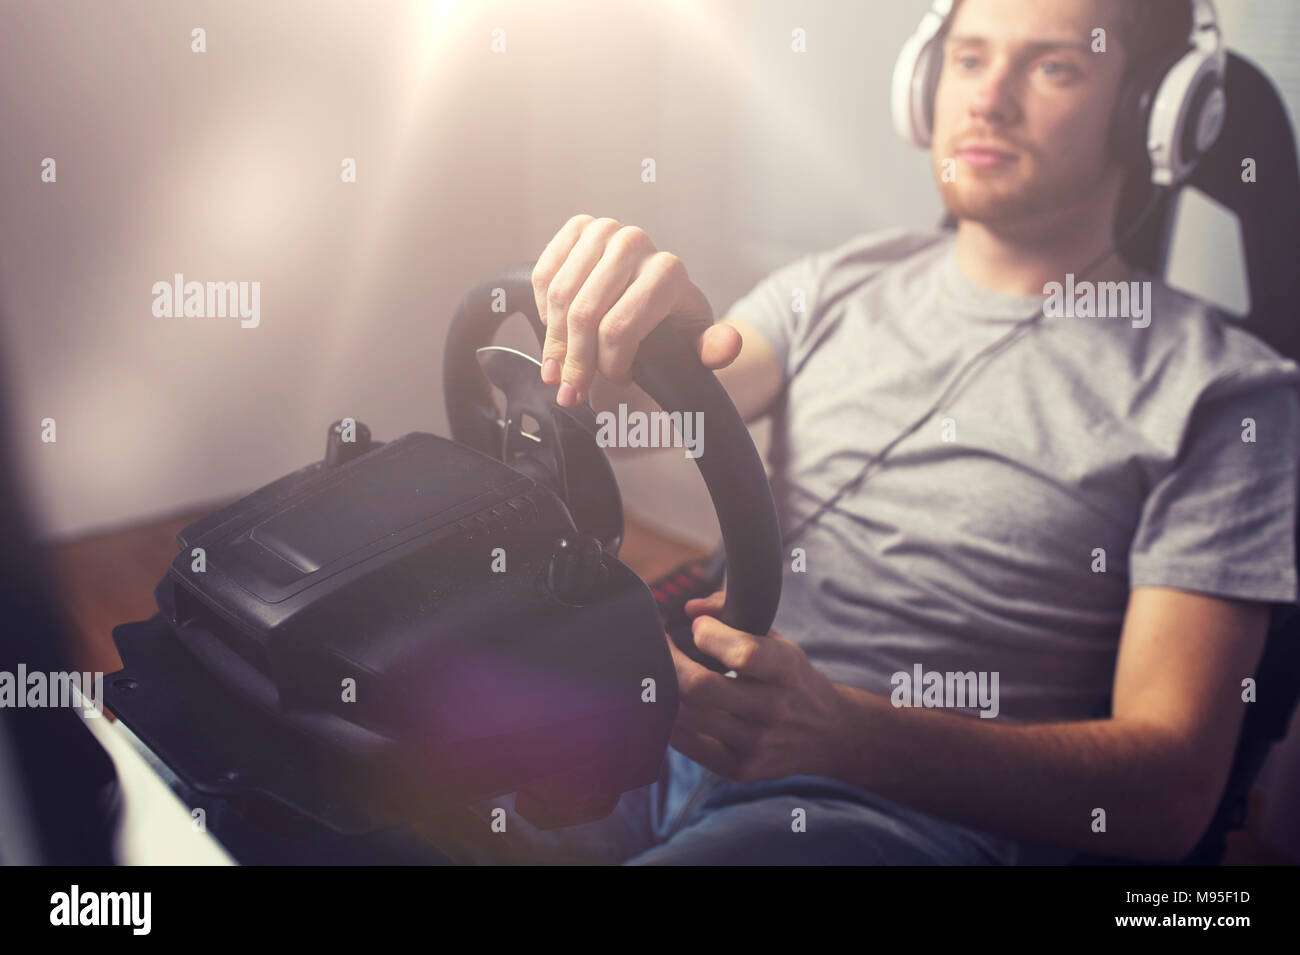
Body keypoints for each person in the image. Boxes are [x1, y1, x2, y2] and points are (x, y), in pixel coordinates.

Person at [437, 0, 1300, 864]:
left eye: (1053, 66)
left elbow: (1169, 802)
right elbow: (661, 410)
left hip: (900, 814)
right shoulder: (834, 284)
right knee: (370, 781)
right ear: (926, 82)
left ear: (1152, 108)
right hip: (659, 721)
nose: (987, 99)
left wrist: (844, 733)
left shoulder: (1227, 395)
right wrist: (630, 341)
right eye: (968, 59)